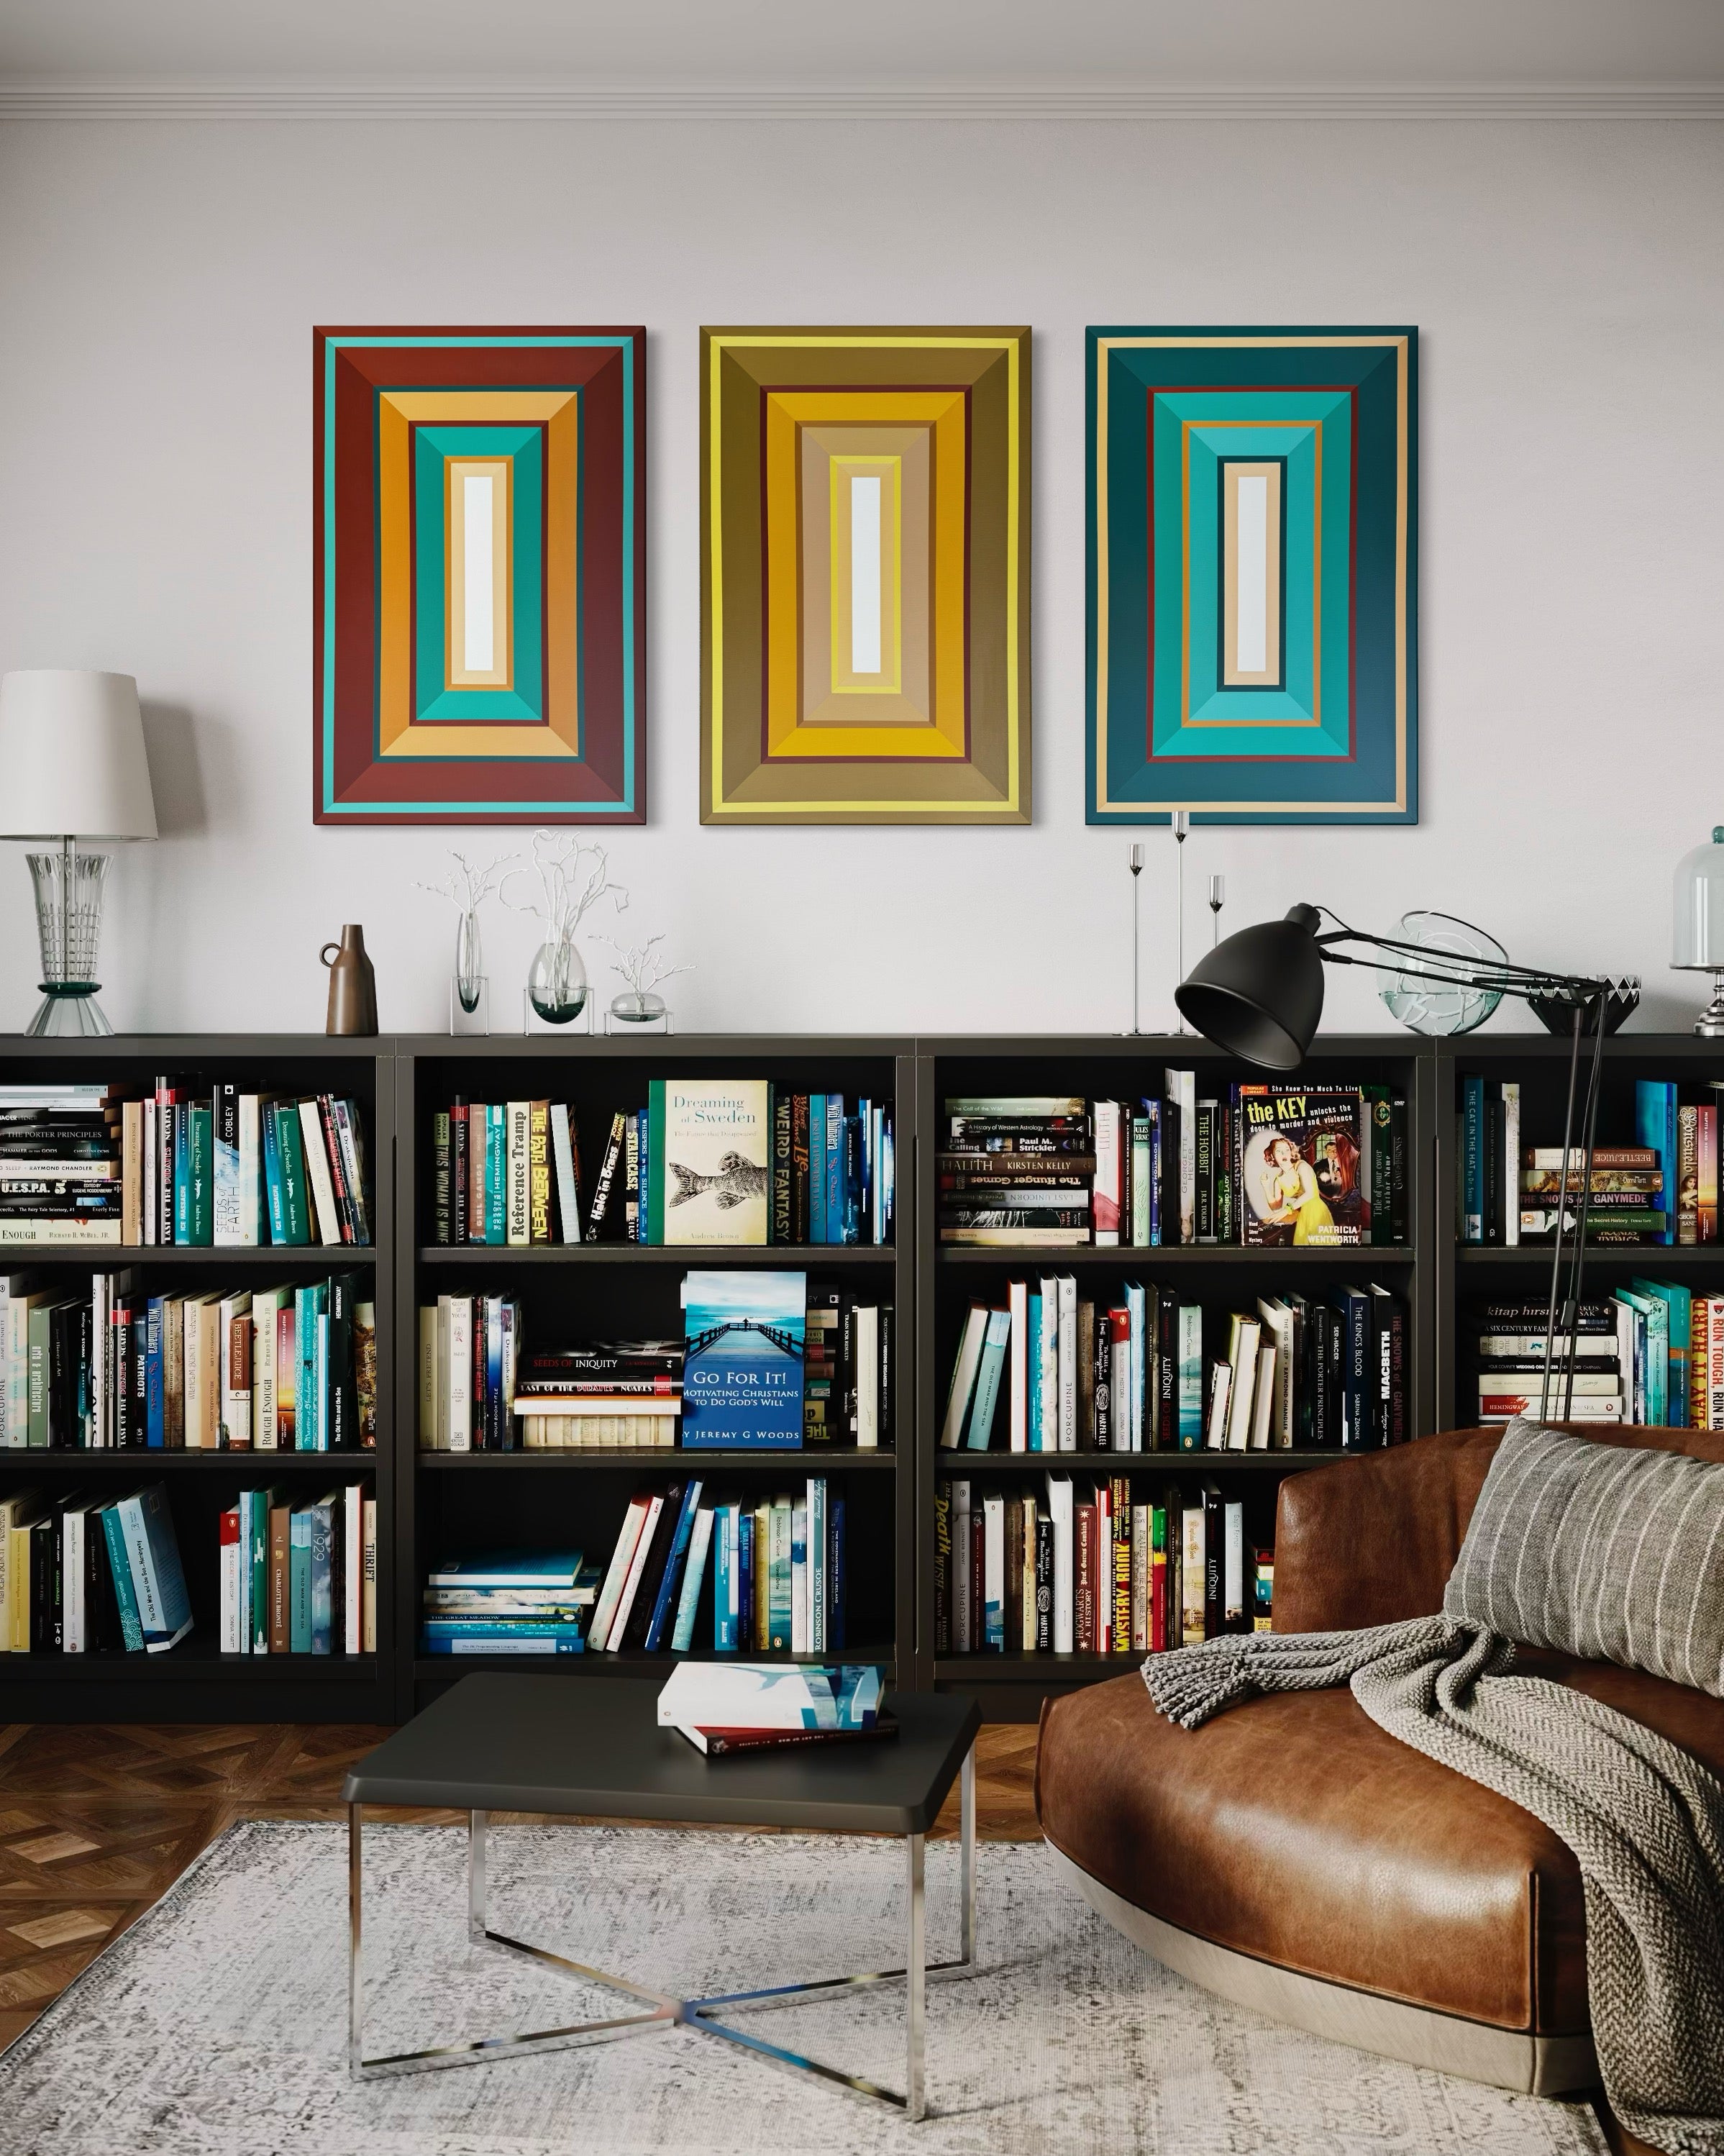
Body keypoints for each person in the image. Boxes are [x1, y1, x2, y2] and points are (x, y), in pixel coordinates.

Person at [1260, 1132, 1334, 1245]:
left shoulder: (1302, 1166)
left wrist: (1287, 1210)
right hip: (1301, 1215)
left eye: (1287, 1149)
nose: (1284, 1153)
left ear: (1291, 1153)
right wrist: (1265, 1187)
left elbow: (1309, 1194)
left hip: (1316, 1211)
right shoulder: (1278, 1179)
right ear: (1272, 1156)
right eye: (1279, 1151)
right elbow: (1276, 1207)